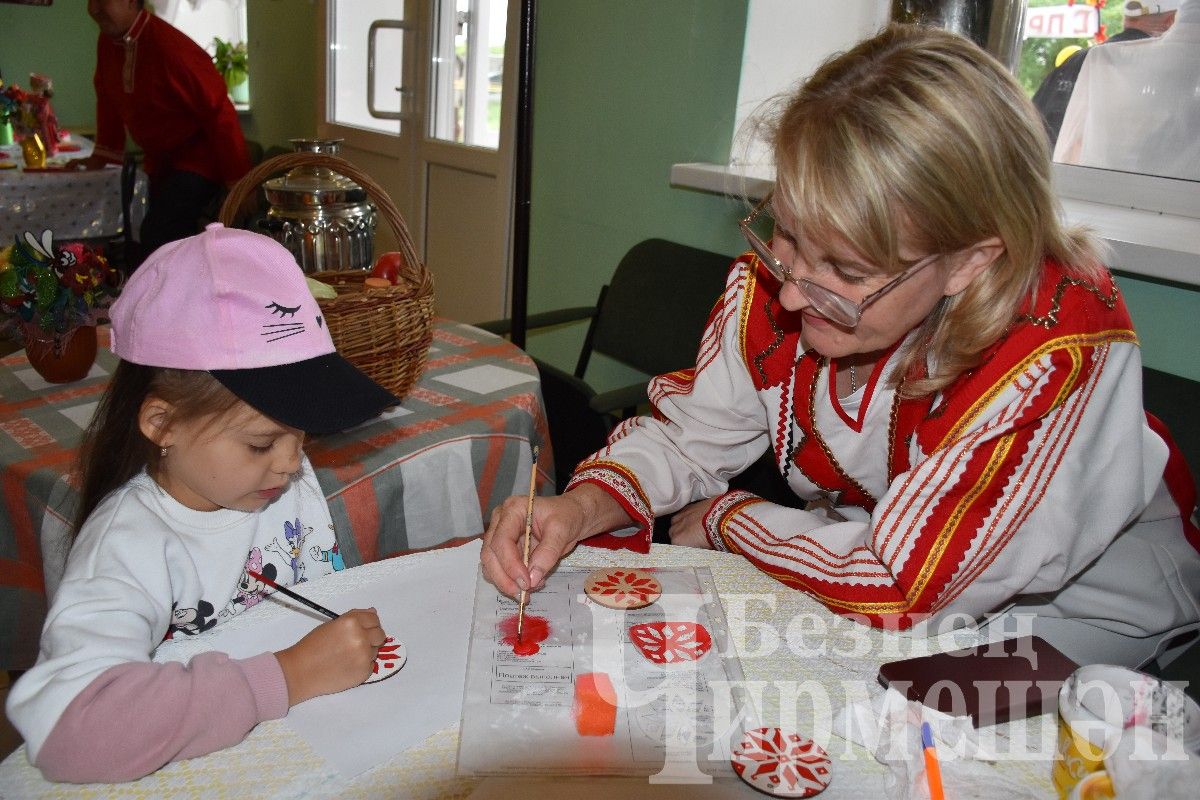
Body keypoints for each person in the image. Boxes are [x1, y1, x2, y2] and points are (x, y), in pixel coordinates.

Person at [480, 24, 1200, 670]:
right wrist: (580, 506)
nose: (792, 294)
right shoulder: (792, 279)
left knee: (911, 728)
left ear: (970, 261)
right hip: (885, 559)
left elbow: (906, 591)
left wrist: (734, 519)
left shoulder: (1054, 355)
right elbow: (697, 438)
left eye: (847, 273)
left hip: (1081, 611)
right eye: (787, 233)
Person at [5, 224, 399, 783]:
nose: (292, 463)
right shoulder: (127, 546)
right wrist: (288, 676)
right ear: (162, 423)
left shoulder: (267, 477)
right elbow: (71, 729)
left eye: (302, 434)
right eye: (262, 442)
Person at [69, 0, 251, 264]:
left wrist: (239, 181)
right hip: (161, 161)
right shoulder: (109, 41)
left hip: (200, 160)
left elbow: (219, 110)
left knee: (158, 233)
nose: (94, 8)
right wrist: (101, 156)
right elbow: (107, 99)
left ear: (132, 2)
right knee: (134, 227)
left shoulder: (170, 46)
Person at [1055, 0, 1200, 180]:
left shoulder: (1100, 60)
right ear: (1171, 20)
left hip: (1100, 197)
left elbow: (1067, 154)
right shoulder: (1101, 61)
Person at [1031, 0, 1180, 146]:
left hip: (1046, 166)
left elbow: (1031, 122)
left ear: (1127, 18)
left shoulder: (1075, 61)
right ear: (1171, 21)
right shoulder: (1164, 72)